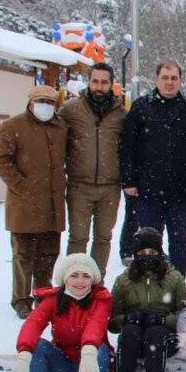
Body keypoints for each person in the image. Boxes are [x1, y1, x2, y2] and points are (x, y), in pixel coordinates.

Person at [119, 60, 186, 277]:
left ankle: (177, 285)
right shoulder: (141, 107)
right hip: (148, 188)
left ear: (180, 80)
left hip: (180, 189)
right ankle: (151, 284)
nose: (169, 82)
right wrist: (128, 180)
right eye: (165, 78)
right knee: (149, 238)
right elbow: (127, 145)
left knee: (179, 239)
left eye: (174, 78)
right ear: (156, 79)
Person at [7, 253, 112, 372]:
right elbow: (33, 324)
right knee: (36, 346)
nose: (80, 281)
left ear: (93, 279)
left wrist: (88, 351)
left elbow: (96, 324)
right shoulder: (53, 301)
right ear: (65, 278)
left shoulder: (100, 300)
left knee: (100, 350)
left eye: (86, 276)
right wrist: (24, 354)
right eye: (74, 275)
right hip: (63, 371)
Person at [0, 84, 67, 319]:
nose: (45, 106)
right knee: (23, 255)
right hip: (23, 205)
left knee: (48, 254)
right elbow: (2, 161)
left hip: (53, 204)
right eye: (41, 101)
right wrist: (23, 186)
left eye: (50, 102)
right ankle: (21, 299)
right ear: (31, 102)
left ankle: (43, 294)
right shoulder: (13, 126)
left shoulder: (61, 127)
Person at [108, 228, 186, 372]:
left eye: (152, 253)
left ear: (160, 253)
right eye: (142, 254)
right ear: (135, 255)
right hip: (134, 341)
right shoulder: (124, 280)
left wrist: (165, 319)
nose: (147, 257)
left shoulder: (173, 278)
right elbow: (111, 320)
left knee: (156, 333)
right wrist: (126, 318)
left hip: (163, 338)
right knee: (129, 332)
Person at [58, 62, 127, 277]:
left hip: (110, 187)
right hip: (80, 185)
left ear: (111, 84)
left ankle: (96, 284)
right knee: (78, 237)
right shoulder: (71, 110)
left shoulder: (120, 114)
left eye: (104, 82)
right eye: (95, 81)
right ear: (89, 82)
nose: (99, 87)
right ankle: (73, 283)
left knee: (103, 238)